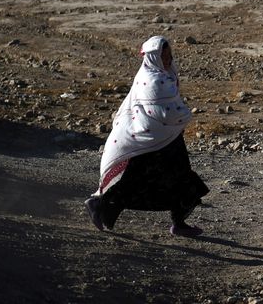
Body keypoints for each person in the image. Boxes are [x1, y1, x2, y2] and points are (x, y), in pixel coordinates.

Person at [84, 36, 209, 237]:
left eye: (169, 55)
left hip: (167, 139)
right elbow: (163, 113)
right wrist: (185, 115)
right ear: (154, 57)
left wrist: (180, 118)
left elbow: (170, 109)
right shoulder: (152, 80)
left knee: (181, 178)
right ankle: (98, 204)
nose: (168, 59)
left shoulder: (166, 75)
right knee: (135, 180)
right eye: (164, 55)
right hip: (147, 142)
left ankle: (179, 223)